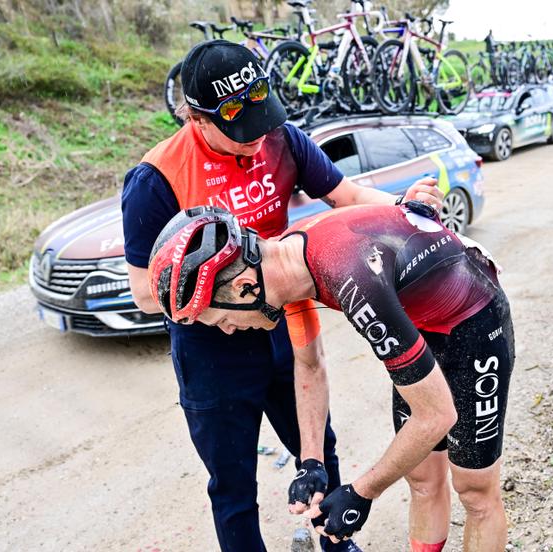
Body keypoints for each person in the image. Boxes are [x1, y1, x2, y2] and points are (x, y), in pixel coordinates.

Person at [121, 39, 443, 552]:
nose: (256, 139)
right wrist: (223, 300)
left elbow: (349, 196)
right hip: (211, 349)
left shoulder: (282, 141)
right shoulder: (156, 177)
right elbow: (143, 291)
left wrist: (403, 205)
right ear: (197, 118)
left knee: (318, 452)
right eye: (239, 130)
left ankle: (335, 542)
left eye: (261, 121)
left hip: (284, 320)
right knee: (232, 485)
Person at [148, 203, 515, 551]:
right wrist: (312, 462)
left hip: (474, 323)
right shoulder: (284, 268)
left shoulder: (350, 276)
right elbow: (309, 364)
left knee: (474, 490)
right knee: (421, 478)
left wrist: (362, 492)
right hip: (419, 320)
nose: (228, 331)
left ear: (245, 288)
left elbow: (436, 416)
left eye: (222, 320)